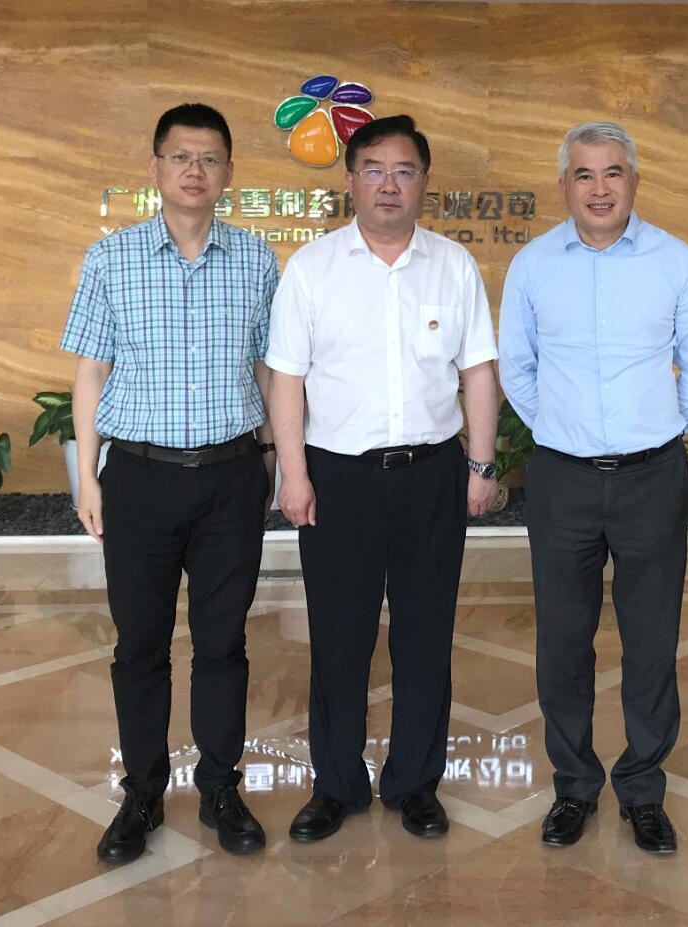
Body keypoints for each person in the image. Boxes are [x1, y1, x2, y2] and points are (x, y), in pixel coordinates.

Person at [266, 115, 500, 842]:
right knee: (339, 636)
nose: (389, 184)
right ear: (350, 181)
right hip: (338, 478)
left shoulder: (452, 265)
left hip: (432, 474)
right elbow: (286, 378)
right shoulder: (313, 268)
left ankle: (415, 784)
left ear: (424, 182)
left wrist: (481, 464)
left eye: (404, 171)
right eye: (373, 169)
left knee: (426, 635)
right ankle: (335, 784)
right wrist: (293, 475)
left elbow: (477, 370)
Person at [62, 103, 278, 863]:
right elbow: (90, 373)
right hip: (139, 478)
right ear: (154, 168)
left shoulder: (256, 259)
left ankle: (221, 788)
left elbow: (268, 368)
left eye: (210, 158)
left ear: (229, 172)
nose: (195, 170)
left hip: (230, 477)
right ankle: (143, 795)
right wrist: (88, 478)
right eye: (181, 156)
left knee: (223, 643)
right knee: (140, 646)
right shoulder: (110, 258)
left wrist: (274, 460)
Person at [498, 121, 688, 854]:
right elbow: (517, 367)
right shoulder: (533, 265)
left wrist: (661, 427)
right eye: (585, 174)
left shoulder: (675, 261)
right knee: (563, 640)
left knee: (651, 639)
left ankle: (643, 789)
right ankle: (574, 786)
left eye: (613, 172)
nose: (600, 188)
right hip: (561, 478)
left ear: (634, 181)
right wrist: (561, 429)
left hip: (652, 476)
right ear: (564, 184)